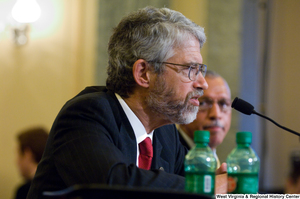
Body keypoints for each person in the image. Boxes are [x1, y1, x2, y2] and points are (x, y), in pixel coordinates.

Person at [27, 7, 226, 198]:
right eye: (190, 69)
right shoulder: (86, 114)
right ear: (143, 73)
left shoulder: (166, 133)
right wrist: (206, 187)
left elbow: (187, 189)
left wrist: (218, 183)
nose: (202, 83)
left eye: (201, 70)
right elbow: (113, 184)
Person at [177, 70, 232, 167]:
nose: (216, 114)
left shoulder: (210, 156)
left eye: (223, 104)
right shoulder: (172, 154)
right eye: (203, 103)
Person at [14, 127, 48, 199]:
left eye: (19, 155)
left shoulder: (25, 191)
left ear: (27, 154)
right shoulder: (62, 185)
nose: (17, 162)